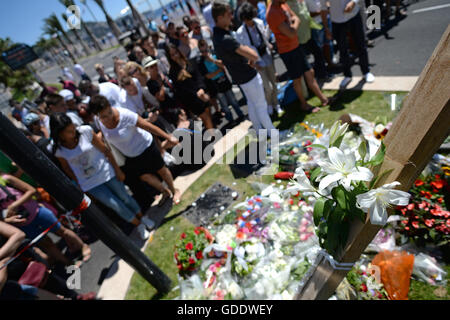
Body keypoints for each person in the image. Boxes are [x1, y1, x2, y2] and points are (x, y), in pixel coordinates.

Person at [50, 113, 154, 240]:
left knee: (124, 197)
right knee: (115, 205)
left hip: (106, 172)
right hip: (90, 184)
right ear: (59, 134)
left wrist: (117, 169)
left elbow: (105, 150)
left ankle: (142, 217)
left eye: (71, 127)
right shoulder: (59, 150)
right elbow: (67, 170)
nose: (72, 131)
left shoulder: (86, 131)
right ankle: (139, 225)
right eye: (67, 131)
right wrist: (80, 186)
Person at [88, 95, 182, 205]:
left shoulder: (125, 115)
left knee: (161, 170)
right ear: (97, 116)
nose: (108, 117)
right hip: (131, 155)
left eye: (109, 112)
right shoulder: (98, 121)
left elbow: (148, 126)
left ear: (110, 106)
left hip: (146, 146)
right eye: (104, 116)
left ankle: (174, 190)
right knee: (145, 176)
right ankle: (164, 191)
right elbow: (104, 133)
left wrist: (168, 137)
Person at [212, 0, 276, 137]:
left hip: (240, 77)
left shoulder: (216, 36)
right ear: (220, 17)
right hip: (248, 75)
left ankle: (260, 131)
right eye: (228, 14)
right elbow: (253, 54)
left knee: (252, 104)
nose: (231, 16)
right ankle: (273, 133)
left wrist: (247, 55)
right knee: (260, 106)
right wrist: (249, 56)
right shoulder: (225, 37)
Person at [0, 173, 91, 267]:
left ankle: (83, 246)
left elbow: (31, 190)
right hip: (22, 224)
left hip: (37, 212)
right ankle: (68, 263)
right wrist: (8, 220)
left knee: (62, 231)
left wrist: (14, 205)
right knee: (46, 244)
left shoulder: (5, 179)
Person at [266, 0, 330, 112]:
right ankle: (304, 104)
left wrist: (292, 25)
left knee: (309, 72)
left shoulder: (283, 5)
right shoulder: (272, 13)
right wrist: (294, 24)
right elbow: (290, 33)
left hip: (296, 46)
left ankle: (323, 99)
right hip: (287, 51)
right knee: (297, 79)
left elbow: (296, 19)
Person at [236, 2, 282, 116]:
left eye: (249, 18)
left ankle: (276, 104)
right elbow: (245, 51)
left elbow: (265, 37)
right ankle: (270, 105)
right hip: (257, 61)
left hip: (267, 56)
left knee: (274, 83)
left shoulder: (259, 23)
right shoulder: (240, 32)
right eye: (246, 19)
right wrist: (254, 64)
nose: (248, 21)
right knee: (266, 87)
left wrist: (268, 44)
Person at [319, 0, 375, 87]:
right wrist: (326, 28)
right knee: (342, 49)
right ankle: (347, 75)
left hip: (353, 16)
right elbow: (323, 8)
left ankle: (366, 72)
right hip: (337, 22)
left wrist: (353, 2)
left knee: (360, 44)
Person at [166, 44, 214, 130]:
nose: (175, 55)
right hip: (191, 99)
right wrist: (196, 95)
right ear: (170, 57)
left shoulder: (189, 62)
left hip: (201, 92)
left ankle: (212, 132)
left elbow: (198, 76)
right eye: (172, 55)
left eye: (176, 52)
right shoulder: (173, 72)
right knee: (205, 116)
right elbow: (180, 89)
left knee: (208, 113)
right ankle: (213, 136)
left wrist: (201, 89)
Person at [197, 40, 245, 123]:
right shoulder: (201, 62)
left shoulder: (215, 54)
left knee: (233, 100)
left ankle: (240, 115)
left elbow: (223, 64)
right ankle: (231, 120)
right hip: (216, 85)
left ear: (208, 47)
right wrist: (219, 70)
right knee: (224, 104)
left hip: (225, 81)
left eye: (205, 50)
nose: (204, 53)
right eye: (202, 51)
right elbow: (208, 76)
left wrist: (212, 60)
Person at [286, 0, 330, 81]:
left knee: (318, 52)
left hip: (308, 33)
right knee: (303, 62)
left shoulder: (300, 1)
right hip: (298, 38)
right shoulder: (286, 5)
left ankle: (322, 75)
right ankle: (308, 82)